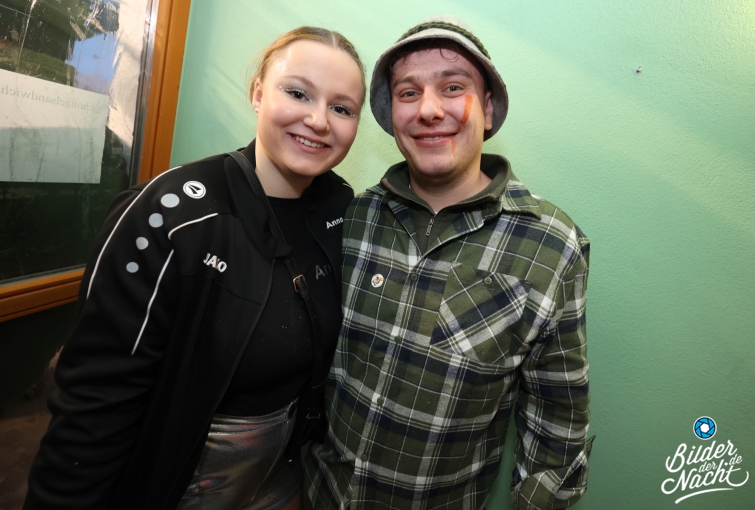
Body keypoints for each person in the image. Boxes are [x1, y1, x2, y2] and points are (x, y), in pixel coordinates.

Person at [24, 26, 365, 510]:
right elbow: (94, 406)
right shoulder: (169, 216)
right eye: (298, 93)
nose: (318, 120)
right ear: (257, 93)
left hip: (283, 479)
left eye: (342, 108)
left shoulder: (342, 212)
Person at [305, 15, 593, 510]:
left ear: (487, 107)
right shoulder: (354, 217)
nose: (429, 110)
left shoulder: (550, 245)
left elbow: (557, 419)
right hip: (319, 495)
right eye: (409, 93)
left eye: (453, 87)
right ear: (391, 113)